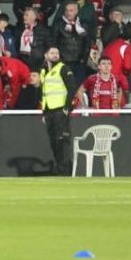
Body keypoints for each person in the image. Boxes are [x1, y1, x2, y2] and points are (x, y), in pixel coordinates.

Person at [36, 45, 76, 176]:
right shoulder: (43, 71)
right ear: (45, 55)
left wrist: (66, 108)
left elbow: (72, 88)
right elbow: (44, 93)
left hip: (60, 110)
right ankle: (60, 168)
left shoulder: (63, 68)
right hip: (49, 111)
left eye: (57, 53)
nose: (55, 55)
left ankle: (65, 171)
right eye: (52, 53)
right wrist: (44, 112)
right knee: (53, 142)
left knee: (62, 141)